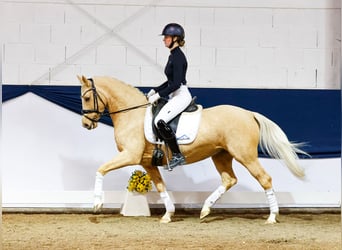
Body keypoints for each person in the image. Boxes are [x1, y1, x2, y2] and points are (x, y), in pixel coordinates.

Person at [147, 23, 192, 170]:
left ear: (175, 38)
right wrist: (155, 90)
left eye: (166, 37)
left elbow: (176, 84)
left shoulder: (178, 56)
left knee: (160, 121)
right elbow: (170, 81)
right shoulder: (173, 55)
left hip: (181, 95)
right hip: (175, 94)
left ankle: (178, 155)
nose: (164, 39)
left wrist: (159, 95)